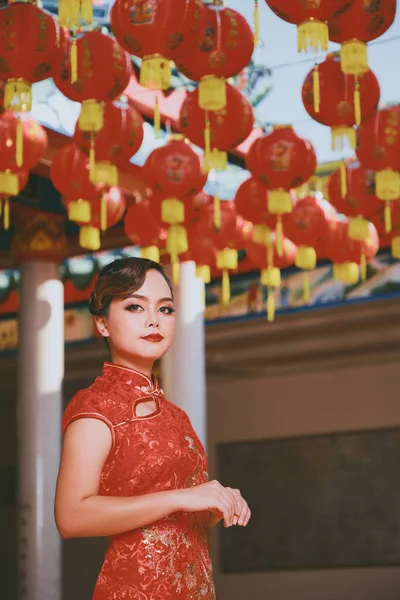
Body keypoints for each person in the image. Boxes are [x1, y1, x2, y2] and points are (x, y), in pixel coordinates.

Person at [55, 257, 251, 600]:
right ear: (102, 323)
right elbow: (71, 517)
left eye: (166, 309)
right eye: (135, 307)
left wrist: (219, 502)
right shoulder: (96, 407)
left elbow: (180, 521)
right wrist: (181, 497)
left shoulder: (175, 416)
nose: (153, 321)